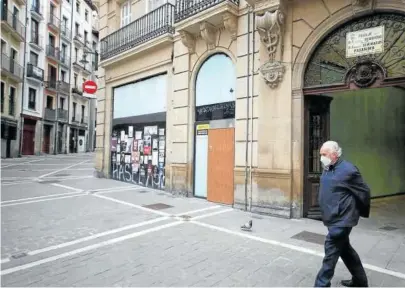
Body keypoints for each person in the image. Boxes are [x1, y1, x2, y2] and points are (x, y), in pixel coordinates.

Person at [314, 141, 371, 288]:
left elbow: (364, 191)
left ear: (334, 154)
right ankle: (360, 281)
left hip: (342, 220)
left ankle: (321, 284)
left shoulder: (349, 170)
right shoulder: (328, 167)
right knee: (345, 250)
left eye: (323, 154)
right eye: (321, 155)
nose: (321, 158)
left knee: (331, 251)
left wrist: (356, 213)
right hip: (332, 217)